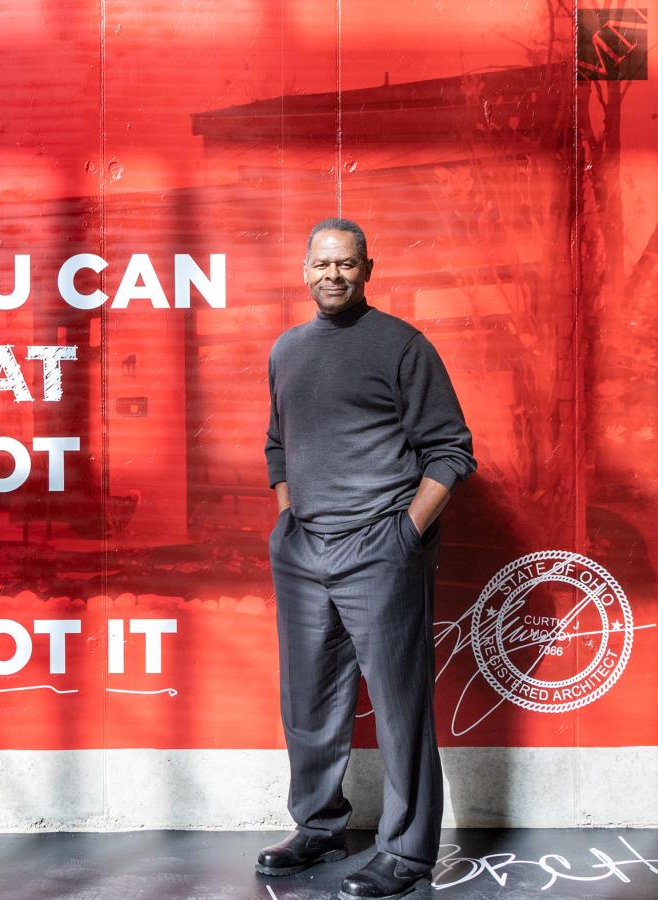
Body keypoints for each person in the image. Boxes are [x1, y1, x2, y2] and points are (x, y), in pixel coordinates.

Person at [256, 217, 476, 899]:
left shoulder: (403, 347)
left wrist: (403, 534)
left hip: (379, 549)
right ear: (304, 270)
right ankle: (319, 826)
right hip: (305, 552)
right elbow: (276, 446)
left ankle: (407, 855)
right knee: (309, 702)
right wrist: (290, 519)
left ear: (368, 269)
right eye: (322, 264)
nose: (333, 275)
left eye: (346, 264)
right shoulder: (286, 350)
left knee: (400, 703)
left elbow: (451, 451)